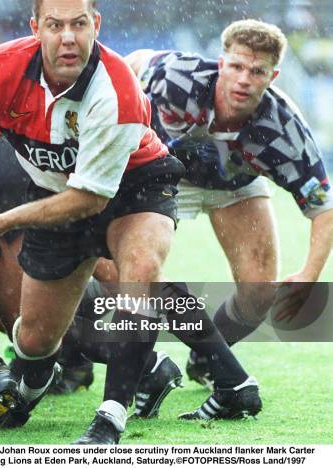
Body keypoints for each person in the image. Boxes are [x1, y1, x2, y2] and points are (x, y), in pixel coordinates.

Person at [0, 0, 187, 444]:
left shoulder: (118, 90)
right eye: (55, 25)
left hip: (135, 185)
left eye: (79, 24)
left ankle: (110, 417)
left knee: (139, 272)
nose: (68, 37)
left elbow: (89, 199)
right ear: (36, 28)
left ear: (96, 25)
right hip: (52, 195)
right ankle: (28, 388)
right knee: (34, 339)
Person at [125, 20, 332, 401]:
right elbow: (133, 63)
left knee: (259, 294)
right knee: (122, 267)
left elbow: (324, 207)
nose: (244, 79)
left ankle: (206, 360)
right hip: (165, 174)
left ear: (273, 75)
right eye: (236, 66)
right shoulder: (176, 77)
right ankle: (96, 359)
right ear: (221, 63)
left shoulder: (286, 131)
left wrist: (309, 274)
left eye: (257, 71)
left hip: (235, 184)